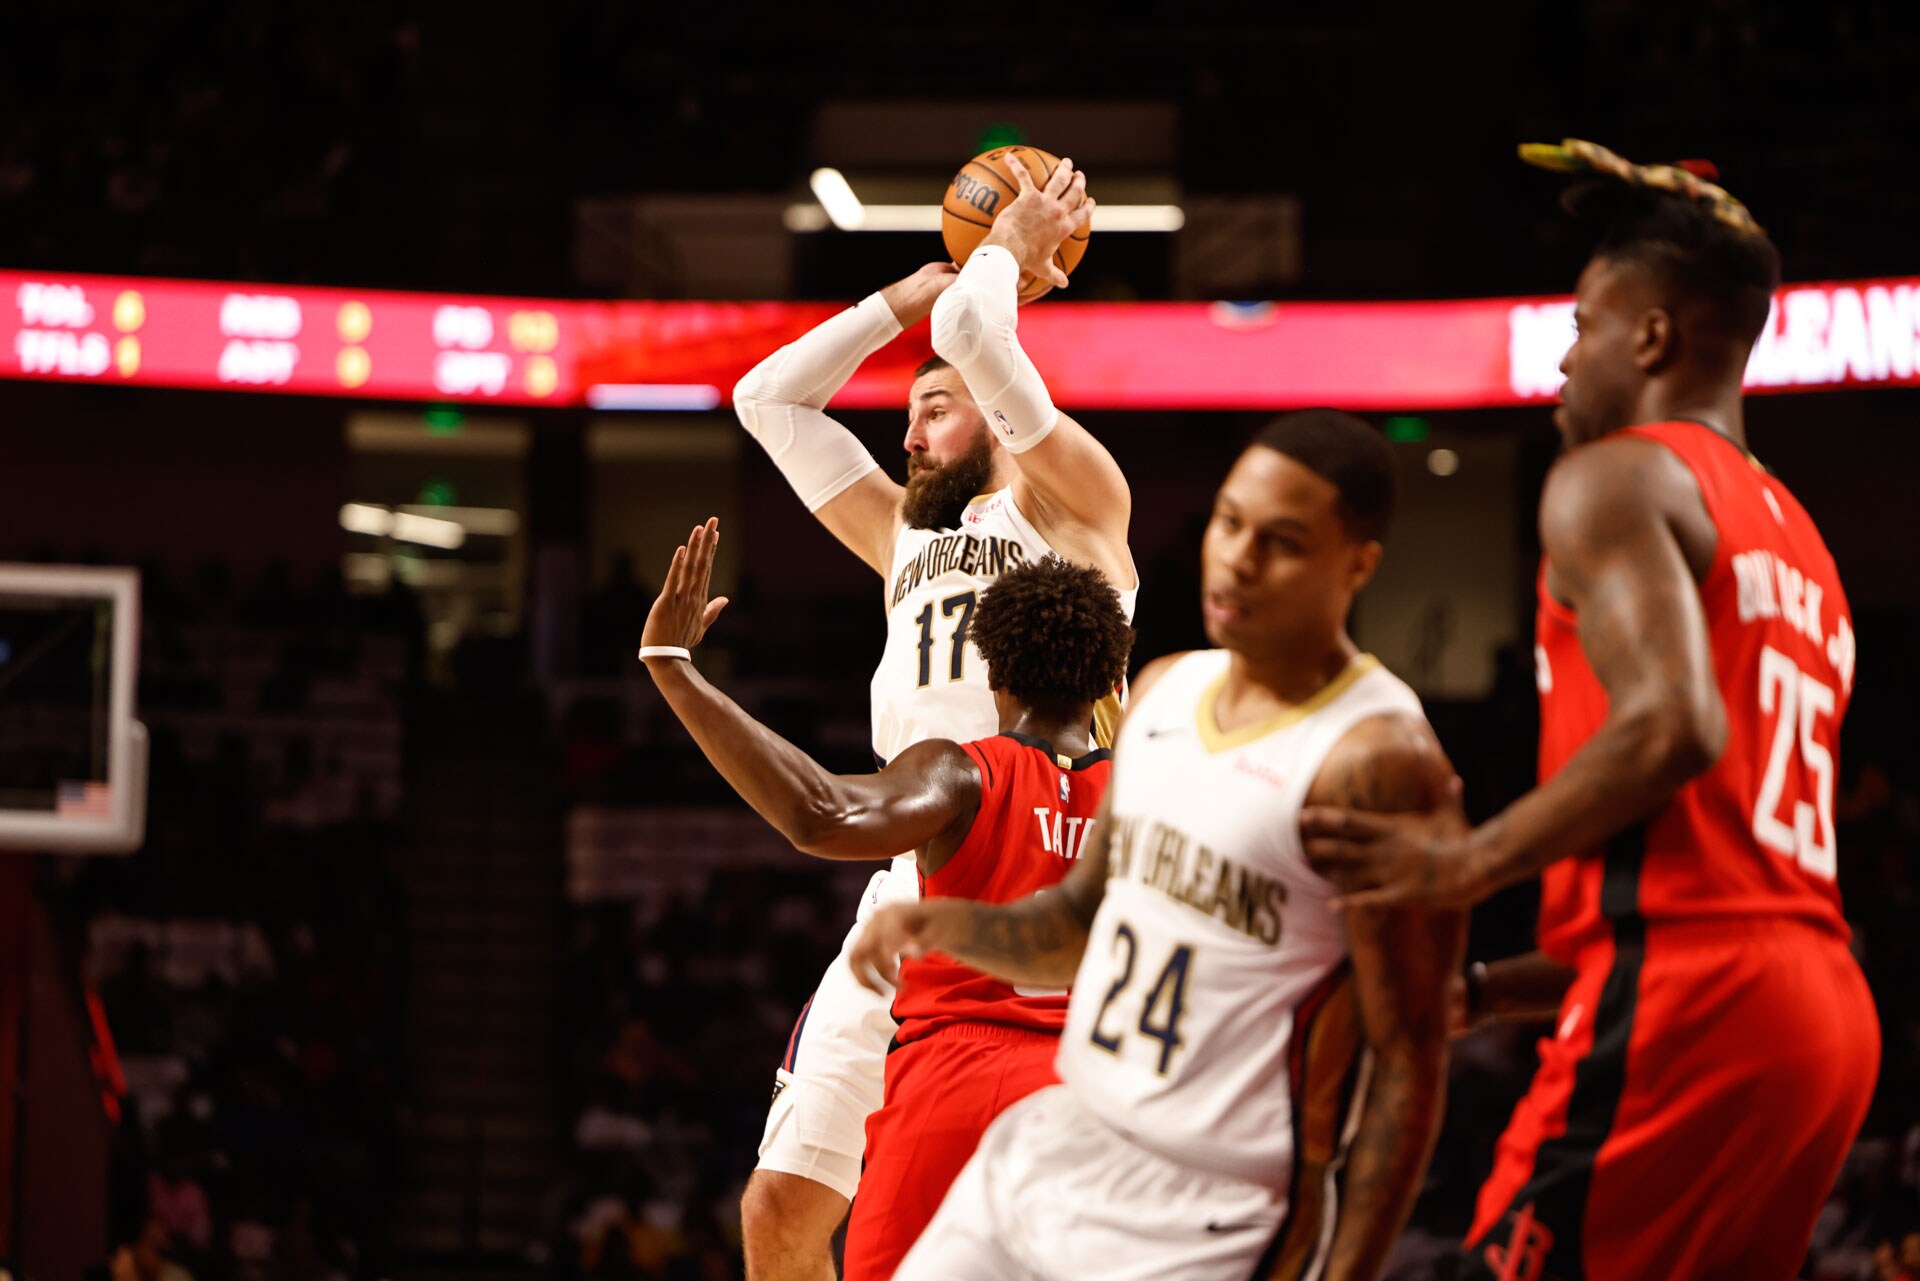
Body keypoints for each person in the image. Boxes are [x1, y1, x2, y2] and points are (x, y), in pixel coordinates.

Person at [1299, 139, 1881, 1280]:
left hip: (1692, 1005)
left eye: (1582, 327)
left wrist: (1457, 864)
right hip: (1818, 1015)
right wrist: (1483, 992)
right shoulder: (1805, 545)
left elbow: (1674, 729)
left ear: (1652, 337)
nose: (1562, 363)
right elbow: (1715, 870)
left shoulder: (1616, 478)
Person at [852, 411, 1465, 1281]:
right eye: (1229, 522)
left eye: (1283, 541)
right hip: (1065, 1128)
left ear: (1357, 565)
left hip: (1210, 1201)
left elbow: (1410, 1058)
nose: (1240, 558)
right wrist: (943, 927)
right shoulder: (1166, 690)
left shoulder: (1380, 759)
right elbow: (1078, 920)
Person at [725, 154, 1134, 1281]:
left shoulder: (1078, 504)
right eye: (906, 412)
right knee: (778, 1215)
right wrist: (909, 296)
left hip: (1043, 868)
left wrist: (997, 262)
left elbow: (976, 330)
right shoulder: (899, 535)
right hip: (913, 874)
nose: (908, 433)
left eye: (935, 407)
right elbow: (767, 398)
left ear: (1003, 419)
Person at [638, 524, 1133, 1280]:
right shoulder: (1149, 797)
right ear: (1106, 681)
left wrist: (678, 672)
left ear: (993, 671)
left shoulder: (964, 771)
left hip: (954, 1074)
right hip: (1097, 1092)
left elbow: (821, 812)